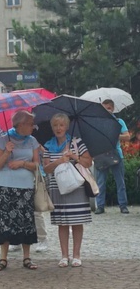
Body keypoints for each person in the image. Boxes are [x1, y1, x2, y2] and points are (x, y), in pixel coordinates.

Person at [0, 111, 41, 271]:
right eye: (30, 124)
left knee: (26, 221)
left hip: (25, 186)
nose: (33, 127)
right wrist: (7, 152)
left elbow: (36, 165)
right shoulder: (3, 140)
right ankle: (3, 258)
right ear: (20, 125)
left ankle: (27, 257)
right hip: (6, 185)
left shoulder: (33, 141)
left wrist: (21, 163)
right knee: (5, 221)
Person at [42, 114, 93, 267]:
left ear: (66, 126)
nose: (58, 128)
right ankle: (64, 255)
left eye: (61, 125)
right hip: (57, 188)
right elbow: (46, 168)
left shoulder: (76, 142)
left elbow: (88, 162)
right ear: (52, 128)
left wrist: (75, 157)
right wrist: (59, 161)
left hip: (76, 186)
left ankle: (76, 255)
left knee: (77, 221)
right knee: (62, 222)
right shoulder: (48, 145)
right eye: (55, 125)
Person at [95, 99, 130, 214]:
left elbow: (127, 136)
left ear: (113, 109)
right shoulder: (97, 122)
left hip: (116, 154)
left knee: (120, 182)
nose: (107, 111)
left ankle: (123, 205)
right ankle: (100, 206)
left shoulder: (119, 121)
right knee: (100, 182)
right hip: (101, 154)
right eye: (104, 109)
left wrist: (115, 135)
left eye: (108, 108)